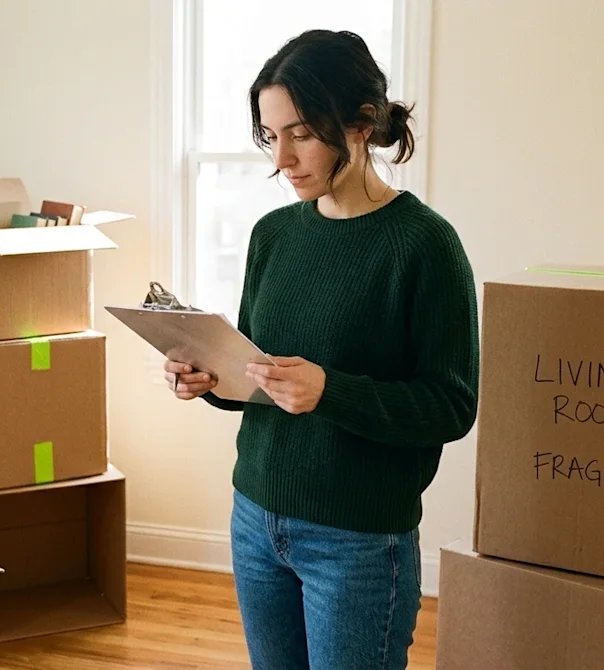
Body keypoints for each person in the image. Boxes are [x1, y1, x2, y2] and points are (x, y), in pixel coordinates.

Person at [163, 29, 480, 669]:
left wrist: (332, 391)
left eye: (301, 133)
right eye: (270, 135)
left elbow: (451, 406)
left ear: (361, 123)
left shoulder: (424, 246)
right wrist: (206, 376)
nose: (282, 158)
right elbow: (257, 378)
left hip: (358, 541)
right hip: (255, 518)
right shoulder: (273, 234)